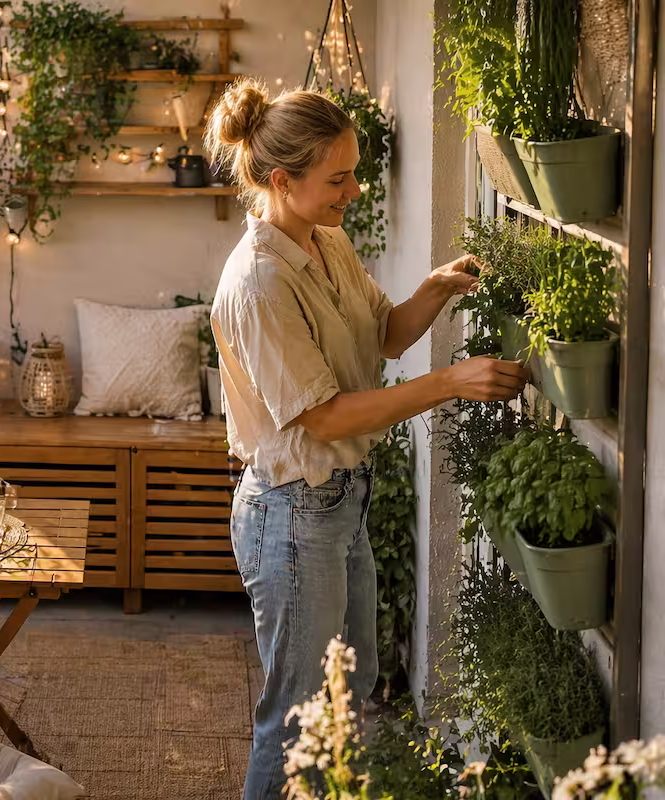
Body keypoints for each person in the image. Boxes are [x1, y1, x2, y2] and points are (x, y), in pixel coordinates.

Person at [204, 81, 529, 799]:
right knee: (295, 722)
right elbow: (322, 418)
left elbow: (384, 336)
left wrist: (438, 287)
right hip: (292, 515)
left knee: (347, 700)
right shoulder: (259, 281)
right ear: (282, 182)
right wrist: (447, 384)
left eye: (355, 171)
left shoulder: (327, 241)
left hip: (339, 506)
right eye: (338, 177)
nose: (355, 190)